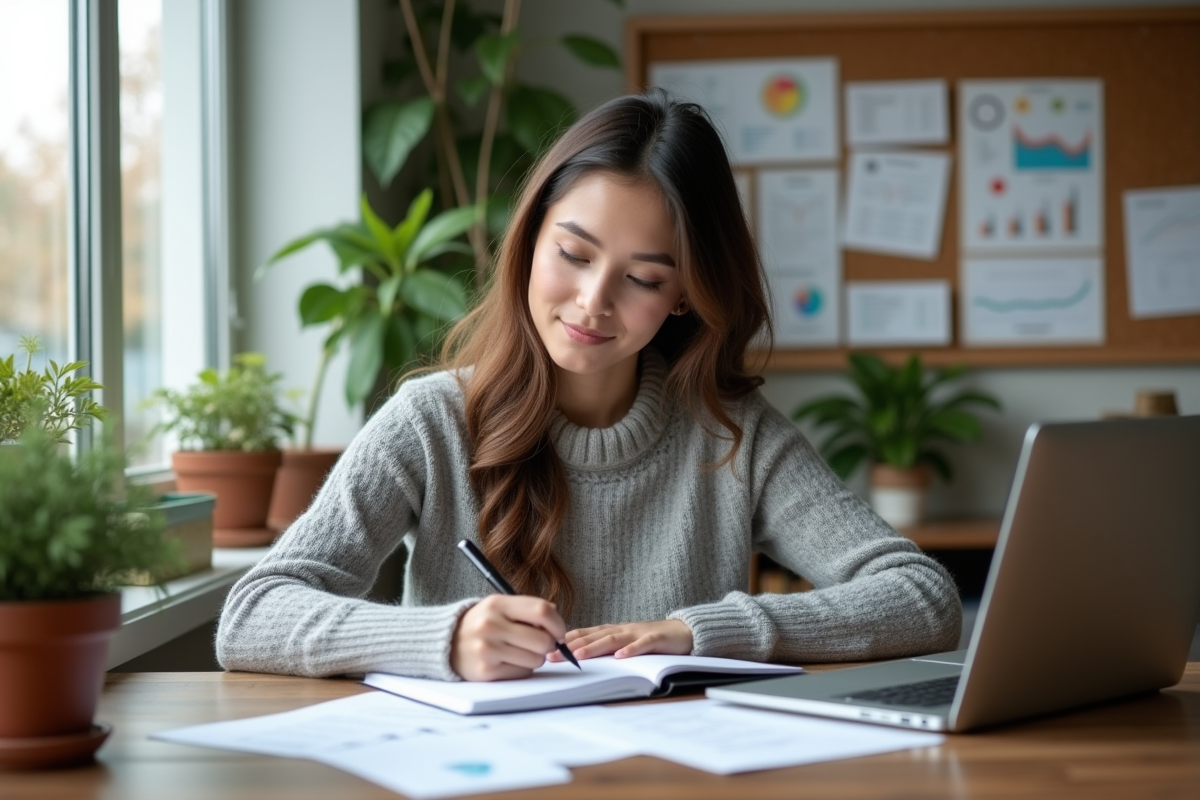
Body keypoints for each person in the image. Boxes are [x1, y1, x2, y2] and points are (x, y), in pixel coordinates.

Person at [217, 90, 961, 682]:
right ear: (532, 237)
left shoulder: (731, 433)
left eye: (642, 278)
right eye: (573, 253)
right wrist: (444, 637)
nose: (591, 302)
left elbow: (922, 598)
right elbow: (252, 616)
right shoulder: (431, 420)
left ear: (683, 296)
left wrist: (704, 632)